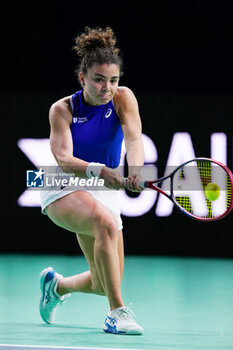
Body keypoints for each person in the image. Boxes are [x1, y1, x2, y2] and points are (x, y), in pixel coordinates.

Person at [39, 26, 144, 335]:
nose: (106, 88)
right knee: (106, 225)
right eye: (99, 80)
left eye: (113, 80)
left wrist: (135, 169)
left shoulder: (123, 98)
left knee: (102, 283)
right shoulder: (63, 110)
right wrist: (99, 171)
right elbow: (63, 159)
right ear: (83, 78)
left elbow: (134, 139)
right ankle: (116, 314)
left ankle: (55, 287)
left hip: (105, 189)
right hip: (62, 183)